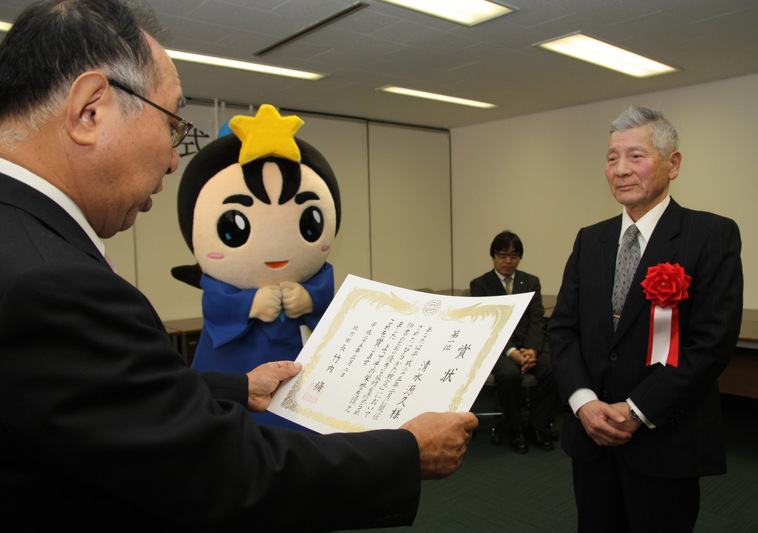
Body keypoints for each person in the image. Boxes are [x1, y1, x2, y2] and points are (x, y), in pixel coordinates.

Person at [0, 1, 477, 530]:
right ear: (90, 111)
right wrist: (405, 453)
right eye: (172, 124)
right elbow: (216, 471)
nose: (174, 159)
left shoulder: (22, 240)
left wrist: (234, 389)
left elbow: (101, 404)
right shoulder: (51, 283)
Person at [548, 106, 743, 532]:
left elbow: (712, 344)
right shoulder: (590, 240)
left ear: (673, 164)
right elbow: (562, 329)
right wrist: (583, 402)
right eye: (612, 157)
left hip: (665, 438)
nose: (620, 169)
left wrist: (637, 411)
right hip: (591, 436)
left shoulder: (710, 235)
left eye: (635, 156)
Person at [470, 231, 559, 453]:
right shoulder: (480, 285)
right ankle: (515, 429)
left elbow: (536, 318)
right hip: (499, 348)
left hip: (530, 345)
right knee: (509, 374)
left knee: (552, 367)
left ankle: (538, 427)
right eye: (502, 255)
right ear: (493, 256)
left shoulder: (530, 282)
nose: (508, 261)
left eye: (514, 255)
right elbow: (489, 326)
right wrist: (512, 351)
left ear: (520, 257)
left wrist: (532, 350)